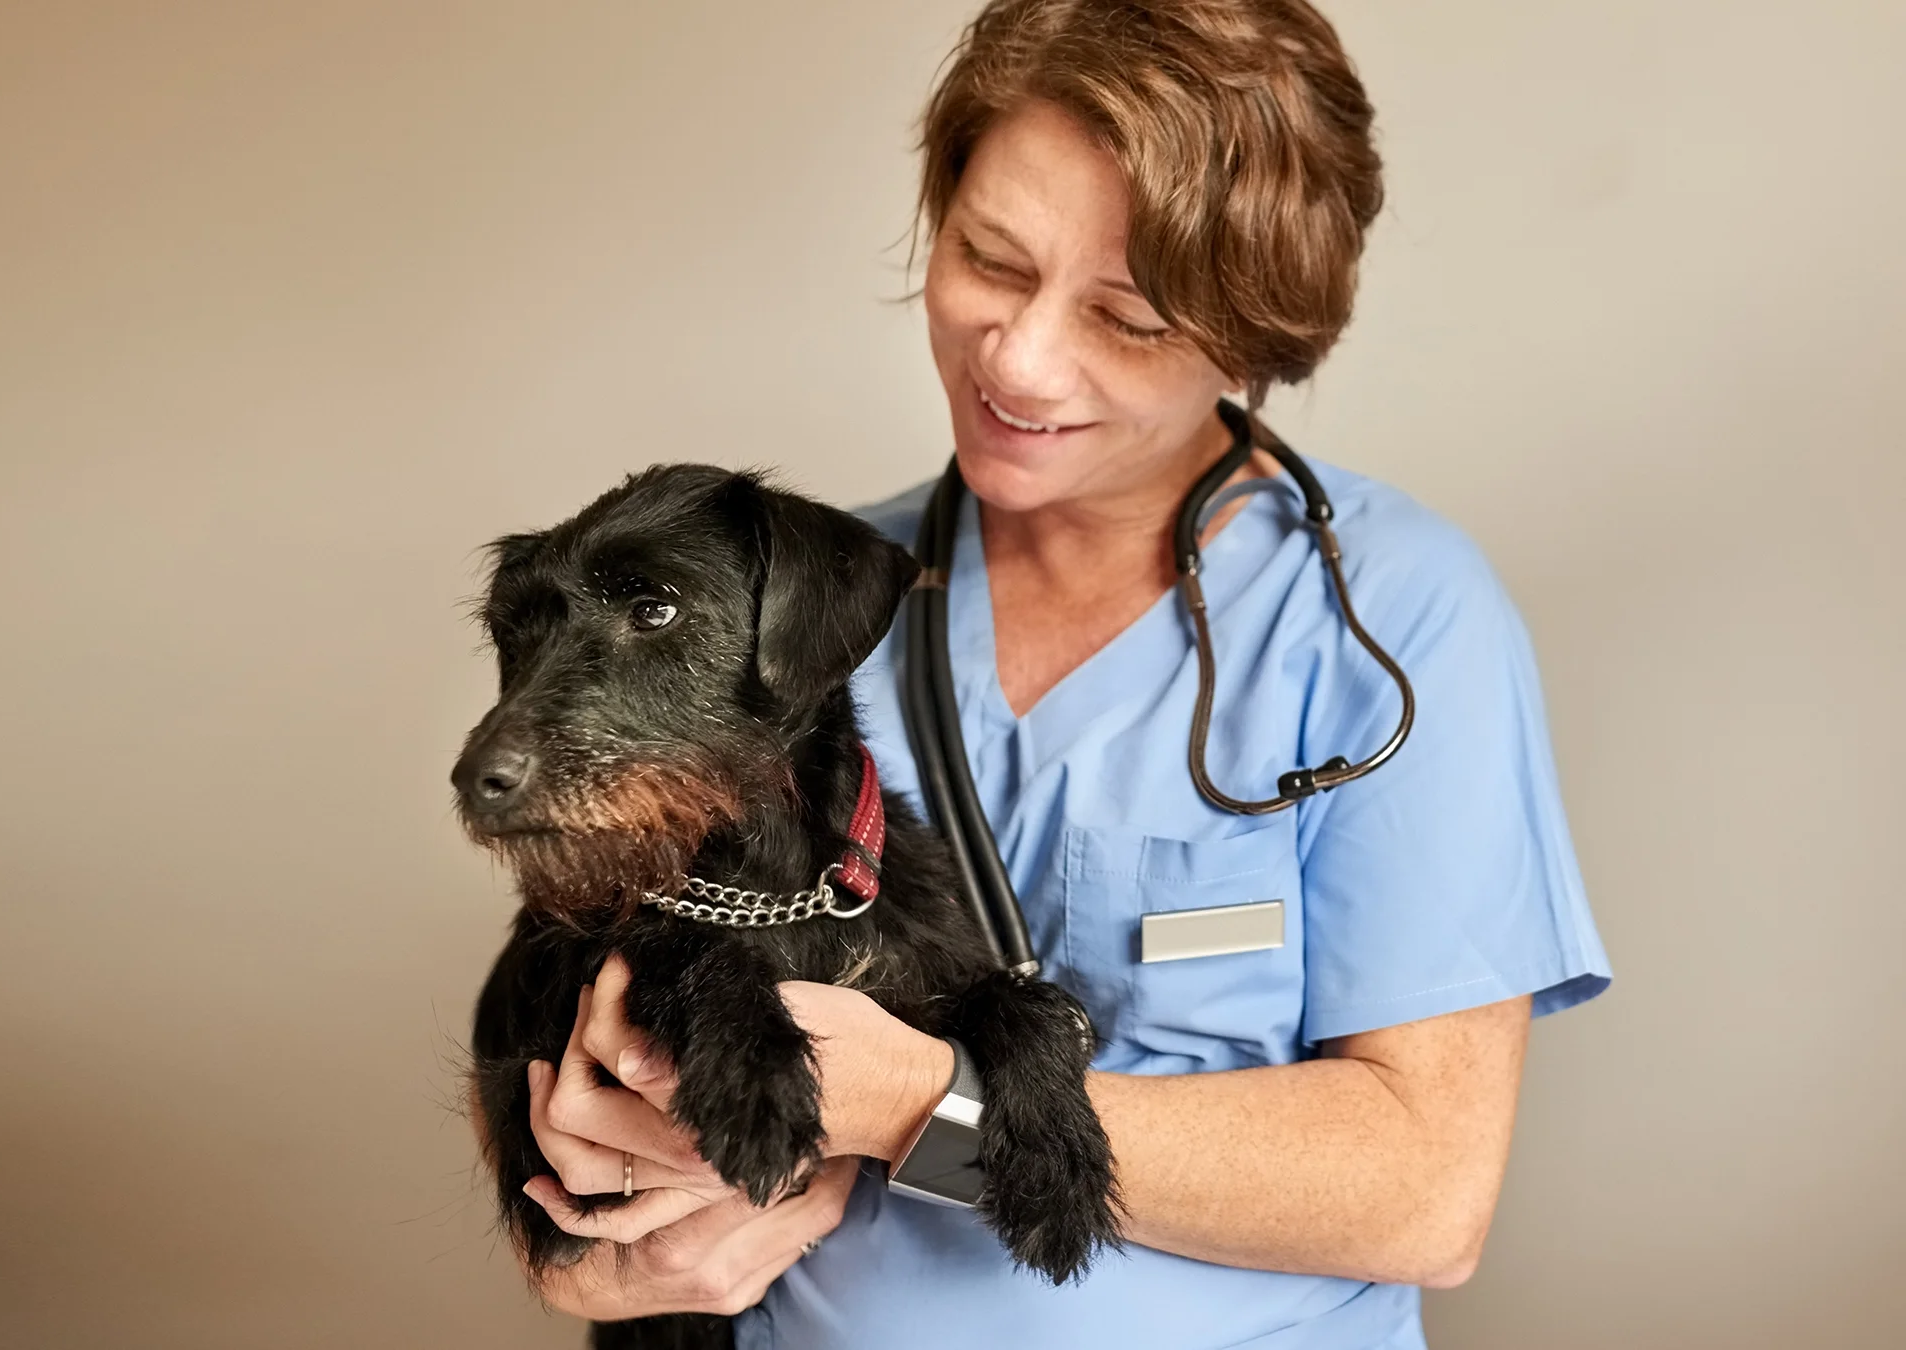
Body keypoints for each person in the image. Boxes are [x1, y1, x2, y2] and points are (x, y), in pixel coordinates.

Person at [508, 2, 1613, 1345]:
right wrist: (579, 1247)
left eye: (1126, 318)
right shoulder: (796, 602)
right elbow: (574, 988)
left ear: (1255, 337)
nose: (1020, 361)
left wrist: (916, 1106)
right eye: (990, 258)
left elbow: (1423, 1191)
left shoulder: (1388, 617)